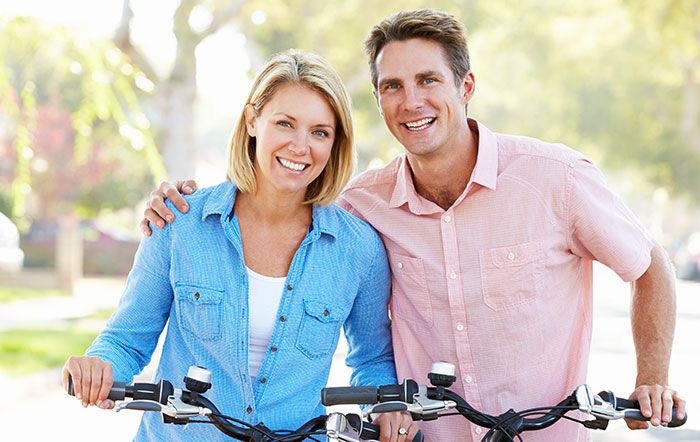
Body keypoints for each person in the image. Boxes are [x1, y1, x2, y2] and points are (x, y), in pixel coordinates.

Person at [141, 9, 686, 442]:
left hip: (544, 435)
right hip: (427, 435)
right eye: (392, 85)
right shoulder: (361, 208)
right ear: (378, 98)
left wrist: (652, 380)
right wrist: (179, 200)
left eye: (428, 79)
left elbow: (648, 265)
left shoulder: (554, 179)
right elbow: (278, 195)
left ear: (466, 85)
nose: (411, 101)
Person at [63, 49, 419, 442]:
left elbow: (372, 359)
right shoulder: (179, 222)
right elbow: (127, 339)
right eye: (285, 124)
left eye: (320, 132)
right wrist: (98, 366)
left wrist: (386, 406)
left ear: (335, 143)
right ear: (253, 120)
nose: (301, 147)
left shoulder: (359, 249)